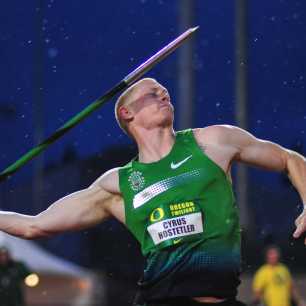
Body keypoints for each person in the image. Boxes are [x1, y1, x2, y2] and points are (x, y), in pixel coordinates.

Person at [0, 78, 305, 306]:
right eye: (152, 93)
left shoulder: (212, 142)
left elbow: (290, 159)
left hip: (222, 298)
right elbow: (33, 225)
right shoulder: (118, 184)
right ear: (126, 112)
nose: (163, 94)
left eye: (165, 92)